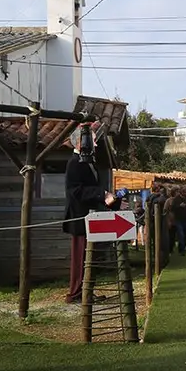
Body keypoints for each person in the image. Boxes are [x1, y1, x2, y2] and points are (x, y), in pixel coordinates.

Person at [61, 123, 122, 304]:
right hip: (79, 219)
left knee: (89, 258)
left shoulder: (87, 162)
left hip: (89, 217)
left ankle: (86, 291)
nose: (95, 145)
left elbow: (94, 191)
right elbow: (76, 191)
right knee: (81, 258)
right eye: (92, 141)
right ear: (80, 142)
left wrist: (115, 202)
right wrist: (102, 195)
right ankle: (76, 293)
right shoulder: (74, 163)